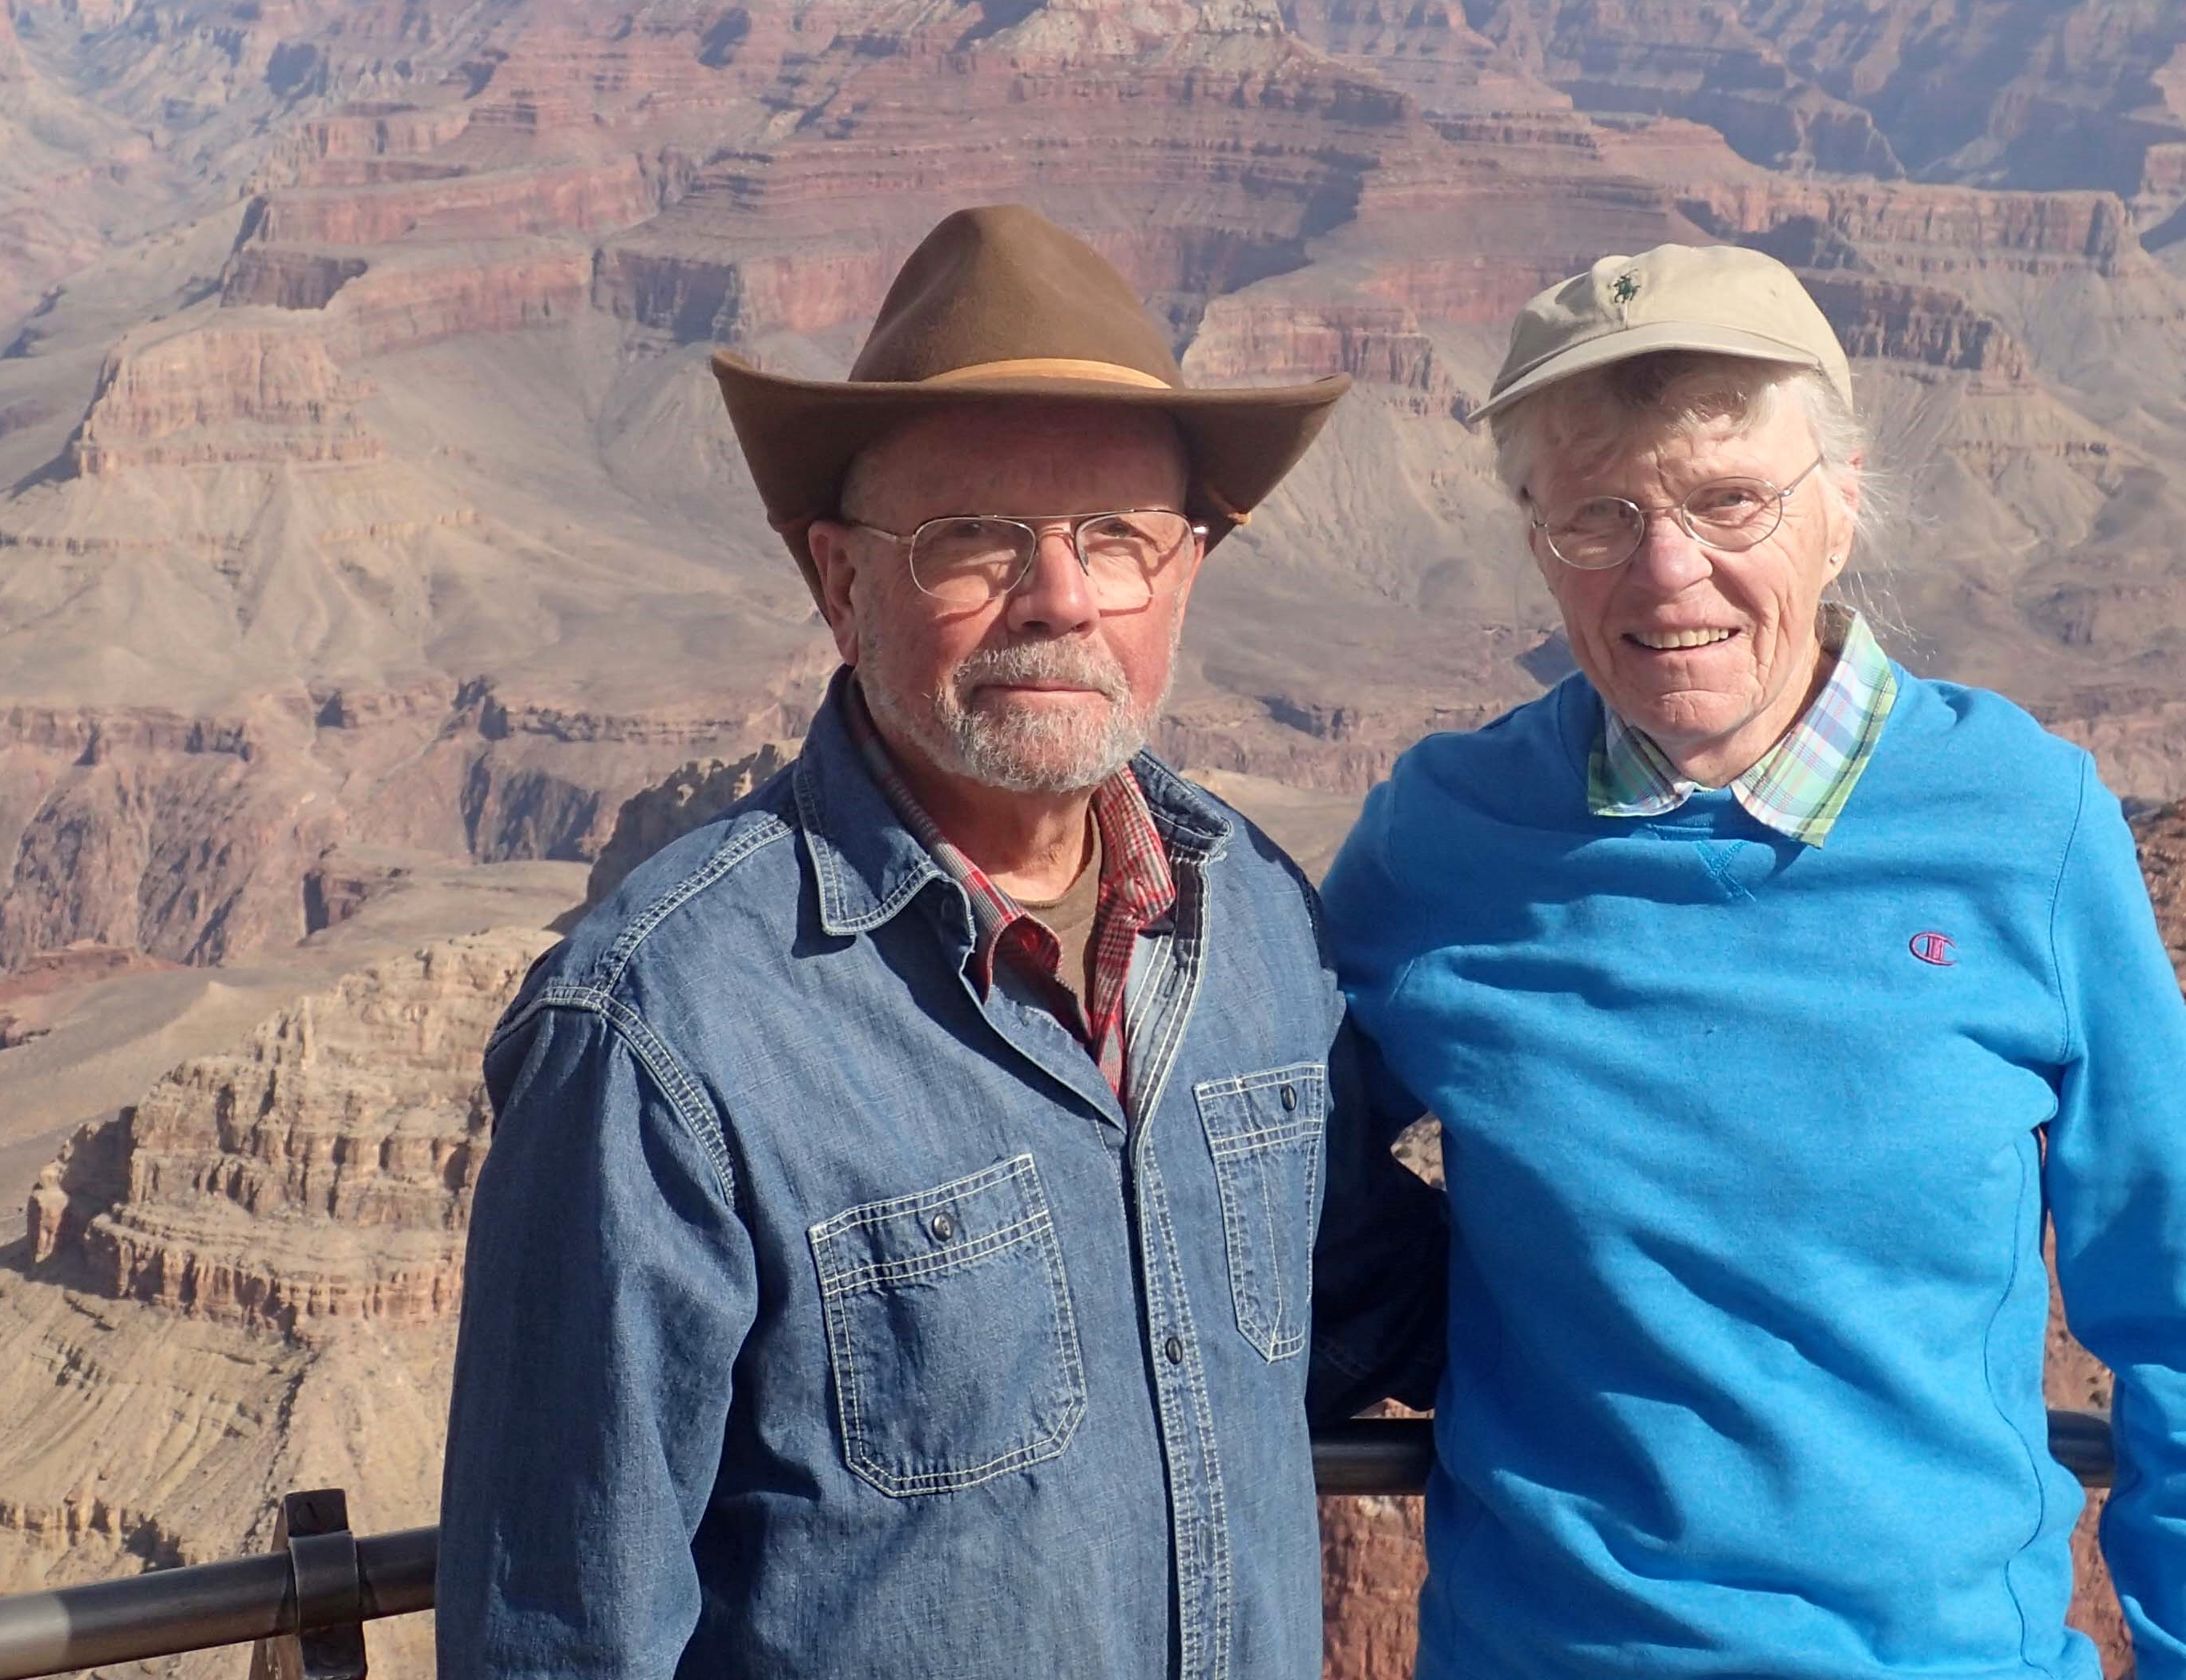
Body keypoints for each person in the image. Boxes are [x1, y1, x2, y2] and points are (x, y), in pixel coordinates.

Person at [438, 204, 1444, 1679]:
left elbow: (1371, 1309)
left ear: (1188, 573)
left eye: (1115, 540)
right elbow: (561, 1638)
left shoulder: (1261, 933)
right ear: (840, 585)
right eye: (972, 539)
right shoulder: (660, 1041)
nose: (1057, 600)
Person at [1319, 242, 2186, 1680]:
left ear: (1840, 508)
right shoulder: (1444, 839)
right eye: (1600, 516)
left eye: (1731, 503)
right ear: (1539, 545)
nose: (1671, 573)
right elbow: (1251, 1150)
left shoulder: (2027, 826)